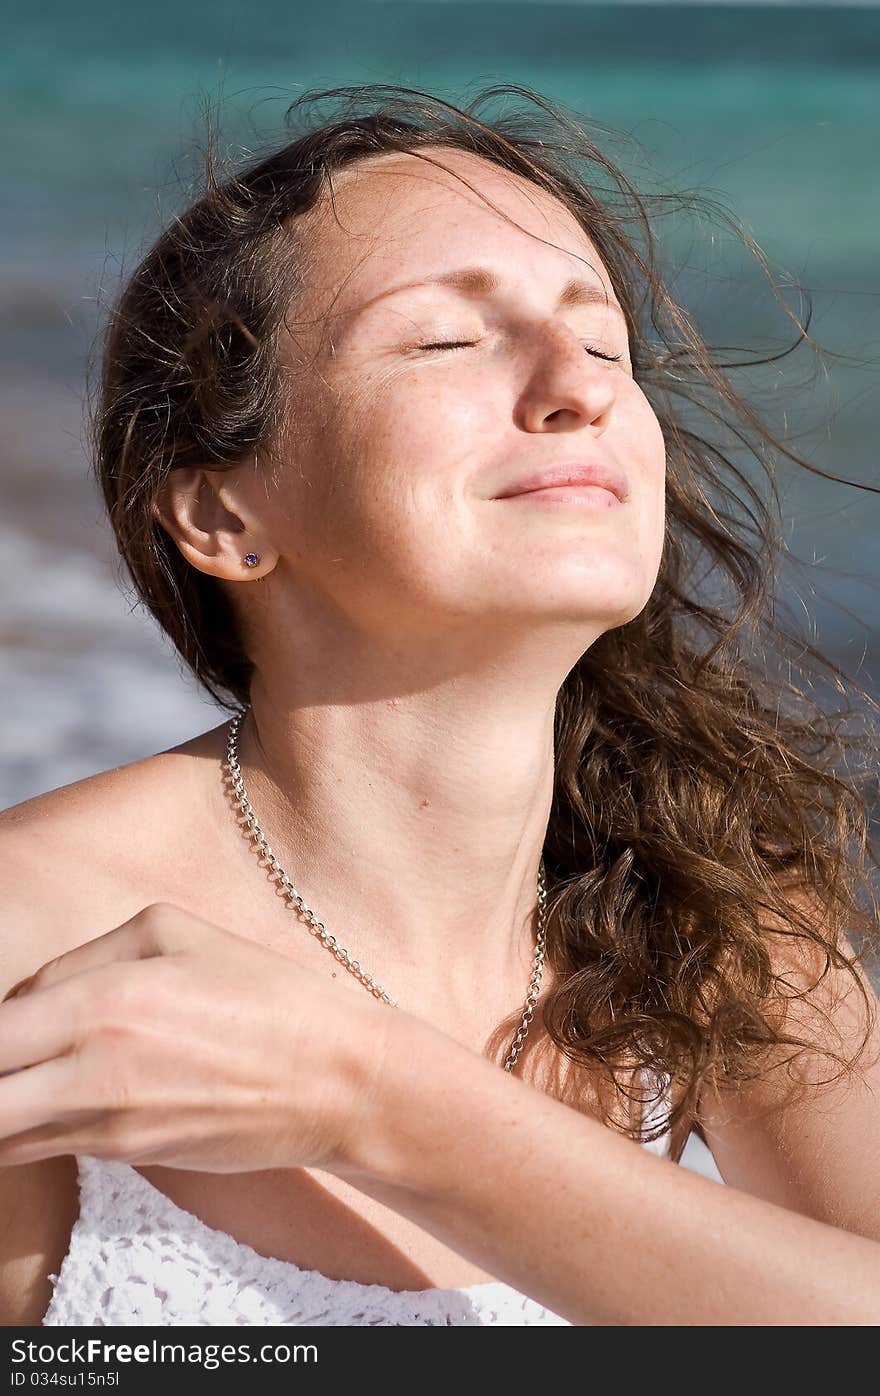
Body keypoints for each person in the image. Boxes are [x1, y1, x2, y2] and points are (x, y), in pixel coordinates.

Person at [1, 84, 879, 1327]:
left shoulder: (718, 908)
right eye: (445, 340)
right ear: (223, 515)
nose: (574, 385)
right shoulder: (32, 949)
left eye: (603, 344)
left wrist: (377, 1097)